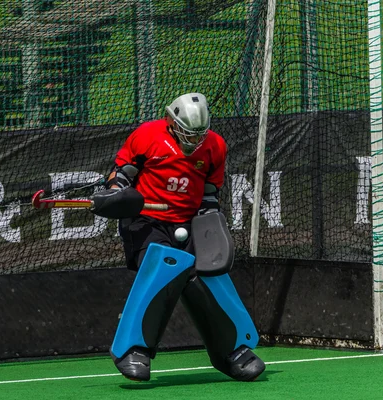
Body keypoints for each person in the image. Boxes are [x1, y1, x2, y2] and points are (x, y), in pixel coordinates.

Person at [90, 92, 265, 382]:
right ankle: (133, 349)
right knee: (164, 266)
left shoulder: (215, 146)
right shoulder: (147, 136)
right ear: (171, 121)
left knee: (208, 275)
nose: (194, 141)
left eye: (199, 135)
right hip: (146, 221)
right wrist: (115, 193)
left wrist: (209, 227)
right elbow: (121, 175)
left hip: (188, 221)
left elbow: (209, 194)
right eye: (187, 134)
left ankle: (233, 350)